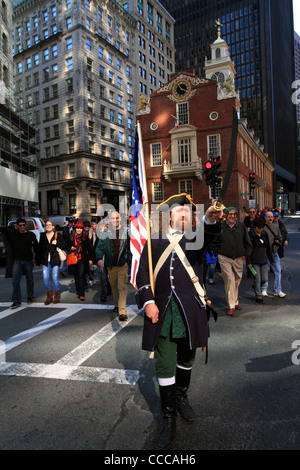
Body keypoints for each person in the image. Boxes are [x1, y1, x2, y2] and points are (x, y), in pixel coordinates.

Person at [135, 194, 223, 449]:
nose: (186, 215)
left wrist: (208, 219)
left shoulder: (195, 238)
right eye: (181, 212)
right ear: (170, 216)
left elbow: (210, 236)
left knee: (187, 358)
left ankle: (182, 397)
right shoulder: (154, 242)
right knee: (164, 363)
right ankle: (168, 416)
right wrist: (148, 301)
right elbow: (142, 273)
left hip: (190, 310)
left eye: (190, 213)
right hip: (162, 310)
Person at [95, 211, 131, 320]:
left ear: (120, 219)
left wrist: (128, 260)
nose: (115, 220)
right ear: (109, 220)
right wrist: (99, 258)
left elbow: (131, 248)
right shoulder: (105, 232)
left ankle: (122, 311)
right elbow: (99, 247)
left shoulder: (126, 232)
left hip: (122, 264)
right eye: (112, 218)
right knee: (114, 286)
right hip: (110, 265)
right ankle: (116, 304)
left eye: (117, 218)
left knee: (122, 287)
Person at [217, 207, 252, 315]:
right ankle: (231, 305)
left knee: (237, 279)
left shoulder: (241, 226)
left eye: (234, 214)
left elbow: (247, 242)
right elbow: (214, 240)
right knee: (230, 280)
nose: (232, 216)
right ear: (226, 215)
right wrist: (217, 252)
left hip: (238, 257)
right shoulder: (221, 227)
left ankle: (235, 300)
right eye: (230, 214)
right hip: (224, 257)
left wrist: (246, 254)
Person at [0, 218, 40, 309]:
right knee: (15, 280)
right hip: (17, 260)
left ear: (25, 225)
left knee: (29, 279)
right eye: (20, 225)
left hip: (28, 260)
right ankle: (16, 300)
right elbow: (2, 229)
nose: (22, 227)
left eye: (23, 225)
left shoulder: (31, 234)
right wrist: (11, 226)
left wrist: (37, 261)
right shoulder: (13, 234)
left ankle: (30, 296)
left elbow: (37, 248)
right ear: (17, 226)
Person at [246, 218, 275, 303]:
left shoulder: (264, 234)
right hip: (254, 261)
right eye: (258, 228)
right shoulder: (250, 235)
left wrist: (271, 259)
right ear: (255, 227)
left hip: (263, 260)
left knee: (265, 279)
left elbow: (268, 248)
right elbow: (247, 249)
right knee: (257, 278)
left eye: (262, 228)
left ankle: (256, 286)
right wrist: (248, 262)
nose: (260, 230)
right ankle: (258, 296)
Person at [39, 220, 65, 304]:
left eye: (50, 225)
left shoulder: (58, 235)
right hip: (45, 260)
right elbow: (39, 248)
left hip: (55, 260)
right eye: (46, 225)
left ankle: (56, 296)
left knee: (55, 277)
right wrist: (37, 261)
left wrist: (57, 243)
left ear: (53, 226)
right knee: (45, 278)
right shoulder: (42, 235)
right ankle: (49, 296)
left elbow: (63, 245)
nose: (48, 226)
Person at [67, 220, 93, 301]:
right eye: (77, 228)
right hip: (73, 259)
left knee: (81, 275)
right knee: (76, 277)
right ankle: (78, 291)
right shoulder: (71, 237)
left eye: (80, 228)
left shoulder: (85, 238)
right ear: (75, 229)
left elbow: (90, 248)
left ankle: (82, 293)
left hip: (82, 259)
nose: (79, 230)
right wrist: (70, 248)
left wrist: (91, 259)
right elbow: (66, 245)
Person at [263, 211, 286, 297]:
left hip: (274, 253)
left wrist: (278, 241)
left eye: (271, 217)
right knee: (265, 272)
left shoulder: (275, 228)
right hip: (265, 253)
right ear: (265, 218)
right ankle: (264, 289)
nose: (270, 218)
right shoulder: (263, 228)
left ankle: (278, 290)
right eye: (268, 217)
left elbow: (280, 238)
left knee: (278, 271)